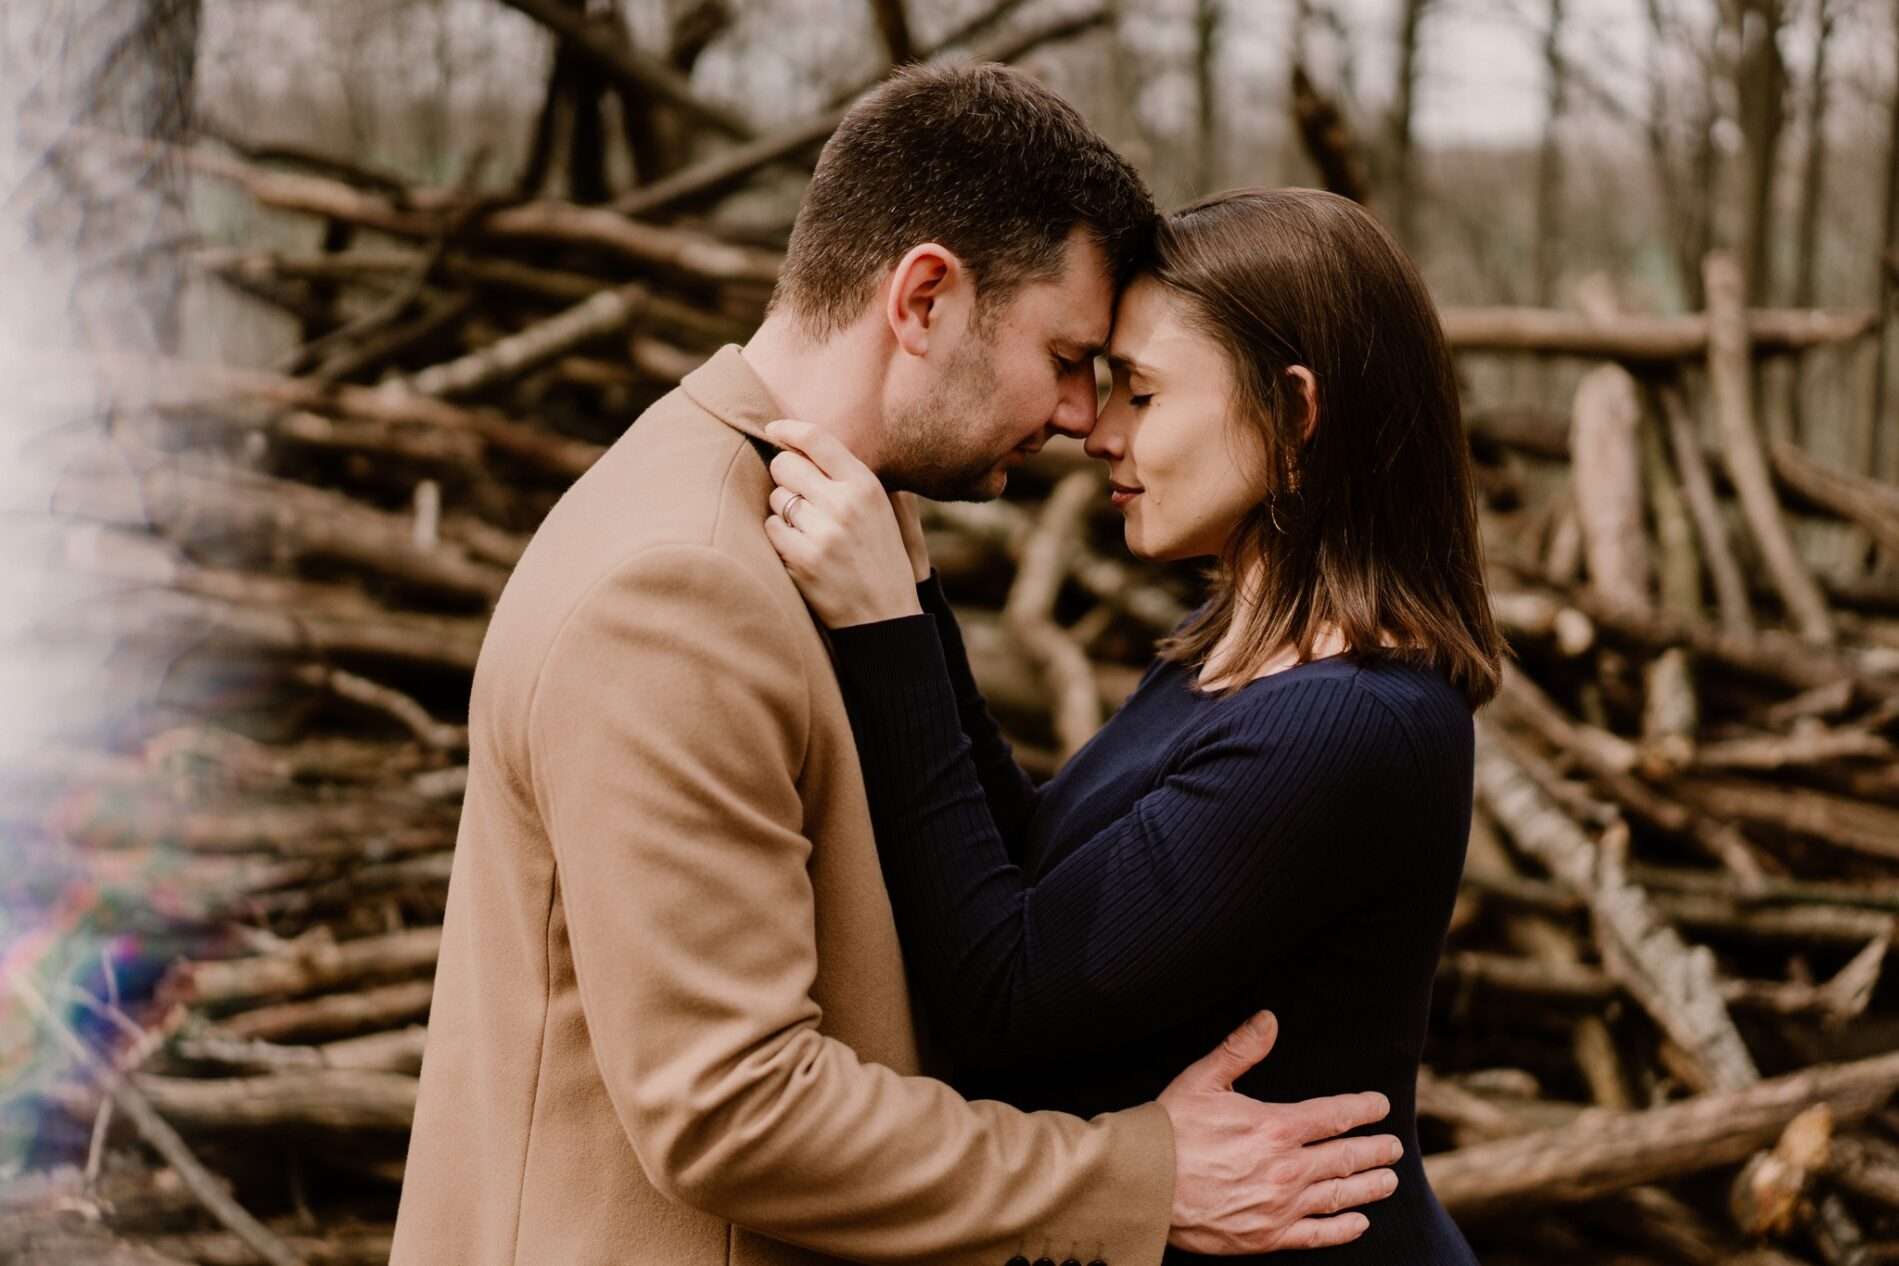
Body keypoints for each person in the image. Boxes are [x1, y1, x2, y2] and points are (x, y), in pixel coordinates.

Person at [389, 69, 1405, 1266]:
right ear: (924, 298)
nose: (1081, 417)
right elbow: (732, 1110)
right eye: (1066, 355)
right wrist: (1141, 1178)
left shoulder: (807, 531)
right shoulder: (681, 589)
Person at [760, 187, 1506, 1264]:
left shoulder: (1350, 722)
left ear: (1294, 413)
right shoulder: (1237, 653)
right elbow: (1031, 865)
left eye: (1142, 394)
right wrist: (910, 593)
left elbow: (1003, 994)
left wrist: (887, 637)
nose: (1099, 431)